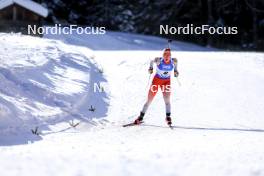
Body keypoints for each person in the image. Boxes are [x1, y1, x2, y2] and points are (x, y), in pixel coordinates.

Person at [134, 48, 179, 126]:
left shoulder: (174, 61)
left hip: (166, 82)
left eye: (168, 54)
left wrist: (176, 71)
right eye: (165, 54)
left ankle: (168, 117)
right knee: (149, 100)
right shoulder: (159, 60)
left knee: (167, 100)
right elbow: (151, 61)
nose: (167, 56)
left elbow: (176, 68)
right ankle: (140, 117)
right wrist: (150, 68)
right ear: (162, 54)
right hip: (156, 82)